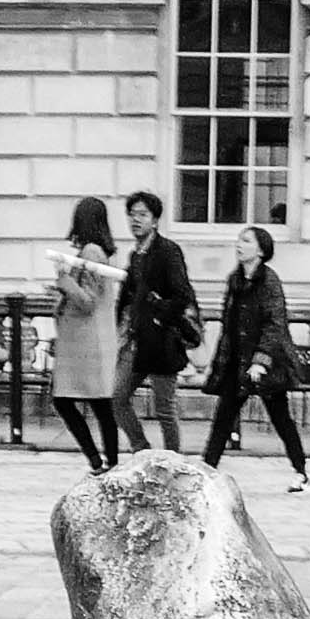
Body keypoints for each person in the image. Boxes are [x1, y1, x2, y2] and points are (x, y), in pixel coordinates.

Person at [199, 225, 310, 492]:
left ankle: (301, 471)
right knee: (223, 418)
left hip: (266, 363)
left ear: (260, 250)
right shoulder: (235, 280)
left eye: (247, 241)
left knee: (280, 418)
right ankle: (206, 472)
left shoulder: (269, 281)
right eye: (239, 240)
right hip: (237, 361)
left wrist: (261, 360)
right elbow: (229, 323)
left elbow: (275, 323)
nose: (239, 245)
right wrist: (223, 360)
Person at [43, 198, 125, 472]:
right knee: (100, 404)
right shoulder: (98, 251)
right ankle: (108, 461)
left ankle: (100, 460)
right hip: (88, 339)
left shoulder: (91, 252)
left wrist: (63, 280)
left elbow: (88, 301)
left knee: (68, 401)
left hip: (85, 341)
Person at [112, 189, 197, 452]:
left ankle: (172, 460)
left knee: (164, 408)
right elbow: (129, 296)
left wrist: (161, 317)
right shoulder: (136, 255)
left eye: (143, 214)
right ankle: (142, 450)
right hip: (137, 341)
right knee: (117, 397)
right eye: (132, 214)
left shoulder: (168, 251)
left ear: (155, 220)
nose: (136, 220)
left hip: (162, 341)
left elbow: (182, 295)